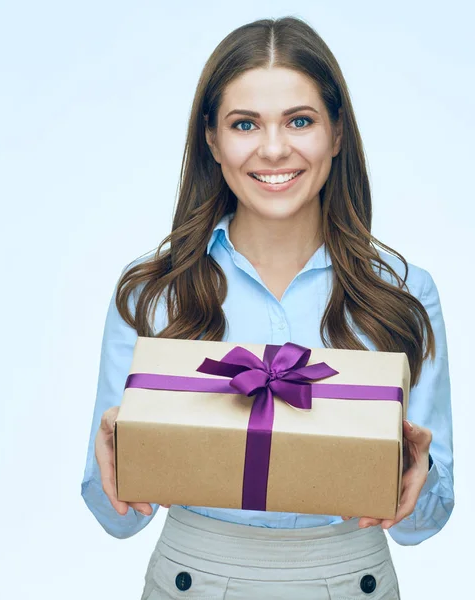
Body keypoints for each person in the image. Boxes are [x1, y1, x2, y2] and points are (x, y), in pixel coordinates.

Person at [81, 16, 454, 599]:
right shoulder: (151, 294)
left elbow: (424, 523)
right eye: (245, 124)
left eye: (300, 121)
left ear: (336, 134)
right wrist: (116, 467)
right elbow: (118, 519)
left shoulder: (402, 293)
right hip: (192, 577)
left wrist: (417, 474)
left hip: (351, 577)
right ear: (212, 139)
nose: (274, 148)